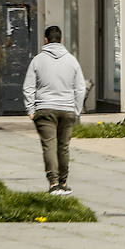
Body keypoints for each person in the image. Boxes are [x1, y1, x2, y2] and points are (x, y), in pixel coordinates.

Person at [23, 26, 86, 195]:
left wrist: (30, 109)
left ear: (45, 40)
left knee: (49, 146)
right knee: (63, 147)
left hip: (44, 109)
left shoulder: (37, 60)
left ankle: (53, 183)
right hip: (67, 109)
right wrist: (76, 109)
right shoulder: (72, 61)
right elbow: (80, 88)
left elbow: (28, 87)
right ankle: (64, 182)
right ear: (61, 40)